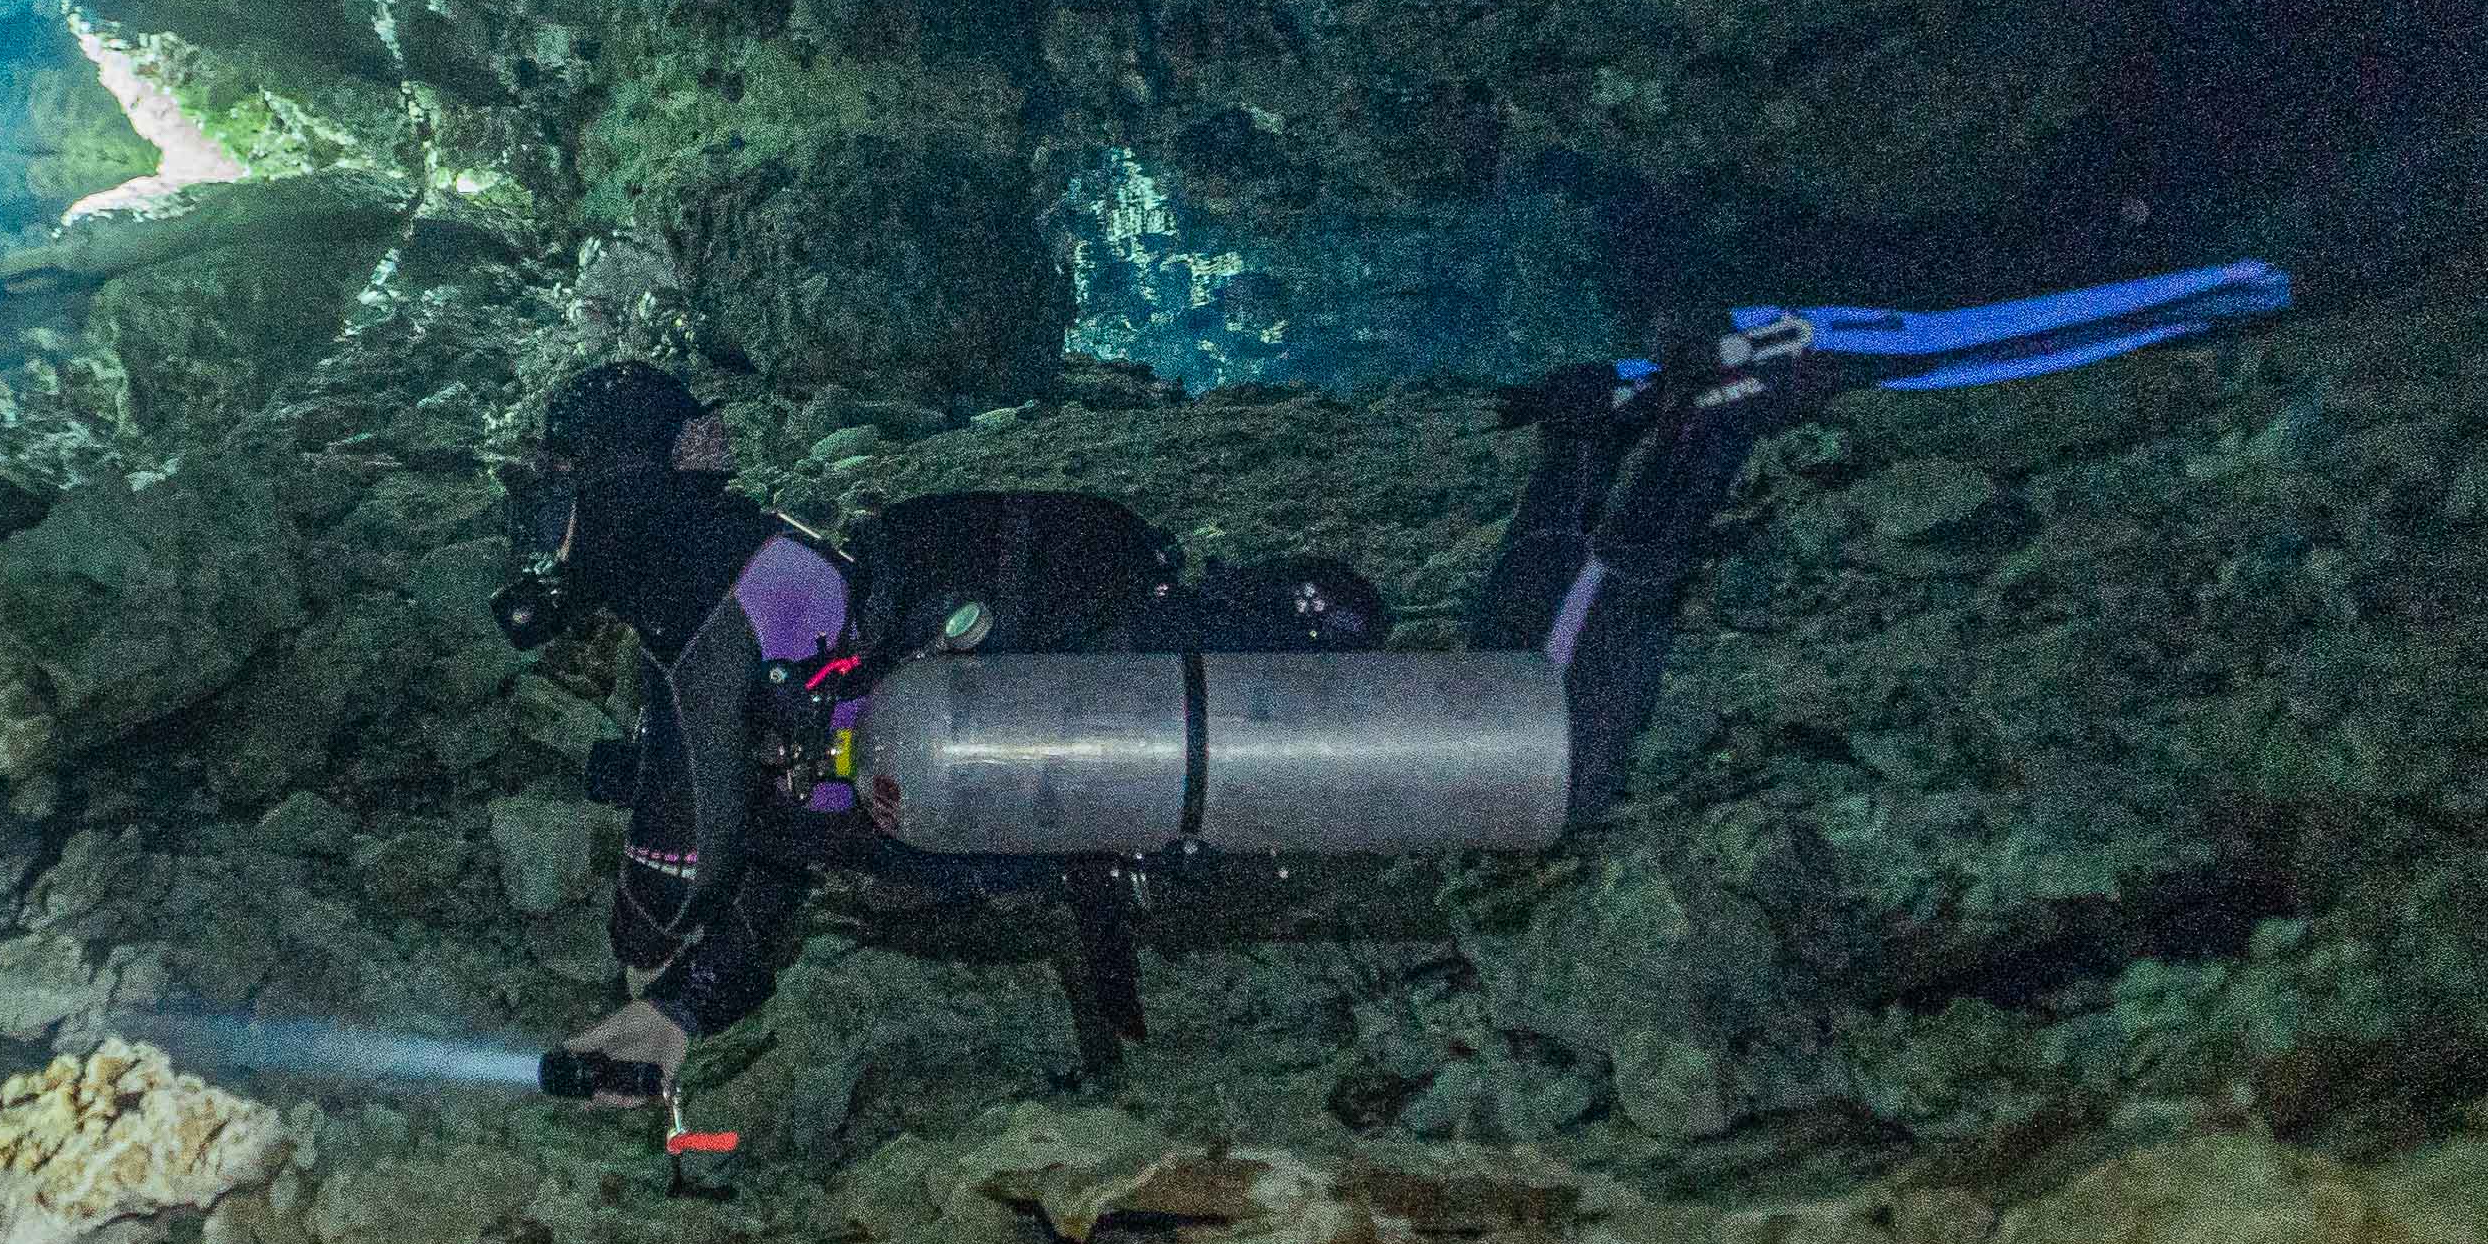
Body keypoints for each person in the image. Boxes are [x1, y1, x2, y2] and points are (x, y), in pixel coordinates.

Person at [506, 328, 1844, 1106]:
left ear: (614, 485)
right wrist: (676, 1017)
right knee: (1492, 695)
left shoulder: (719, 603)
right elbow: (774, 840)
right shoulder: (761, 638)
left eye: (554, 492)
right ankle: (1588, 442)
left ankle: (1701, 433)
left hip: (1160, 734)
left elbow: (699, 829)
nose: (542, 527)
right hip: (1146, 733)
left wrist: (642, 944)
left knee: (1555, 750)